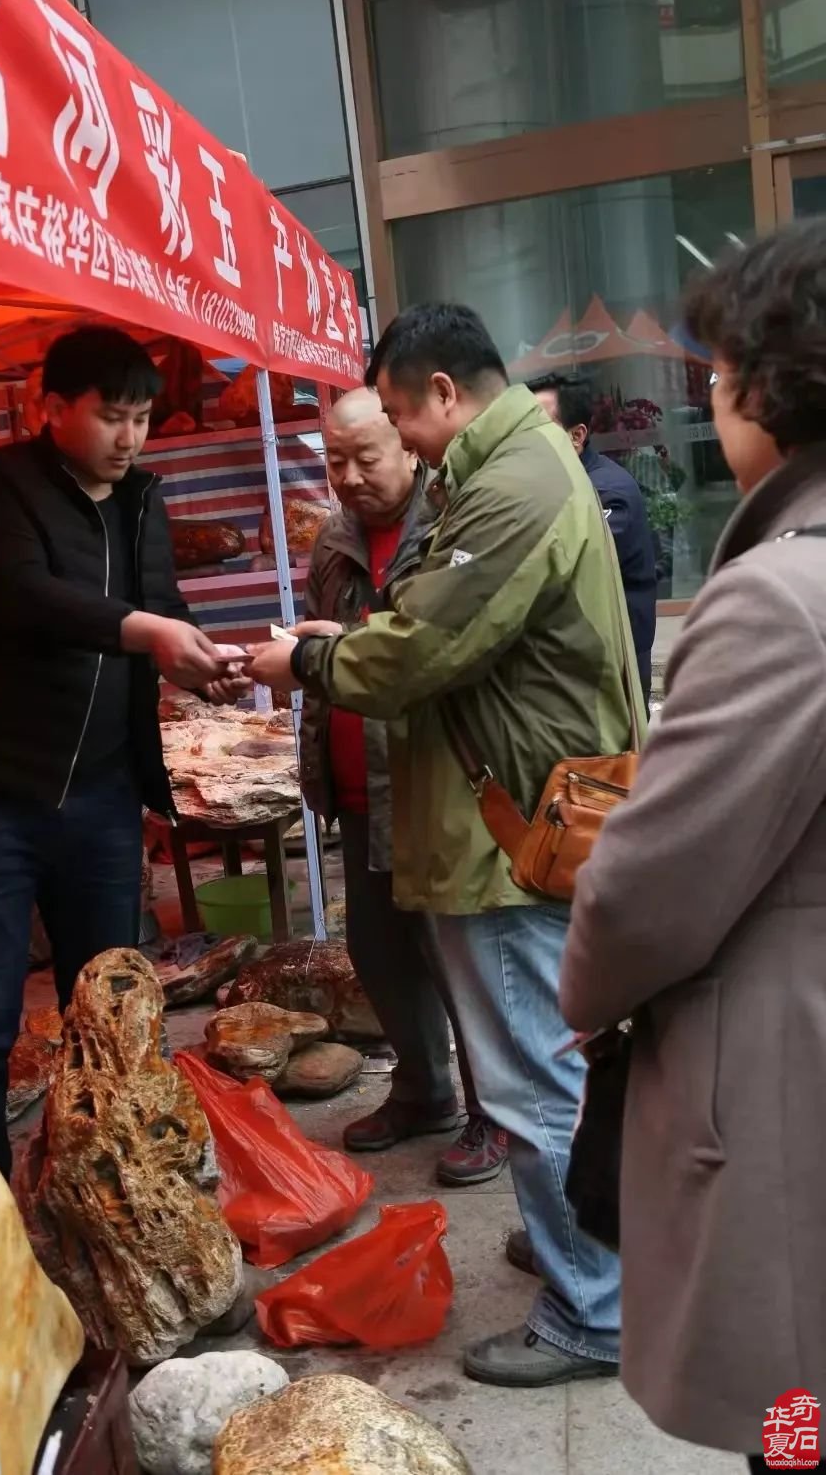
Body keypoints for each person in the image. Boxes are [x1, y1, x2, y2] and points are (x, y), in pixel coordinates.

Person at [250, 302, 638, 1386]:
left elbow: (418, 649)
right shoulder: (514, 467)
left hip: (506, 837)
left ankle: (593, 1312)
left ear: (441, 393)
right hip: (518, 817)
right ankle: (587, 1251)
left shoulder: (512, 485)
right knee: (552, 1062)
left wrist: (311, 662)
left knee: (528, 1080)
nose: (395, 444)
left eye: (396, 419)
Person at [561, 220, 826, 1472]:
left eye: (716, 371)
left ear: (767, 388)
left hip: (788, 1075)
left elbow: (645, 895)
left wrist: (582, 996)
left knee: (795, 1407)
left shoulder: (780, 600)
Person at [0, 324, 239, 1179]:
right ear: (51, 407)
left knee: (108, 1003)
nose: (130, 438)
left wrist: (203, 665)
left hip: (100, 794)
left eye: (142, 418)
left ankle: (108, 1181)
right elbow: (21, 596)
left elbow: (164, 604)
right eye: (111, 417)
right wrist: (149, 632)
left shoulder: (142, 500)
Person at [299, 388, 506, 1185]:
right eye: (335, 461)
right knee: (379, 950)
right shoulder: (332, 541)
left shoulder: (450, 526)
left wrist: (342, 646)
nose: (349, 476)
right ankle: (424, 1091)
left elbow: (434, 650)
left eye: (365, 457)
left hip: (429, 786)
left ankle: (497, 1112)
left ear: (408, 449)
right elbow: (324, 665)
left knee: (455, 958)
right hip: (357, 790)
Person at [528, 373, 656, 702]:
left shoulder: (606, 491)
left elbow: (567, 564)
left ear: (577, 436)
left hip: (612, 667)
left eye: (538, 427)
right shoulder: (557, 482)